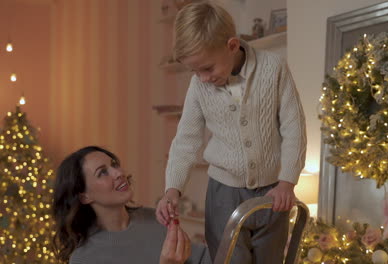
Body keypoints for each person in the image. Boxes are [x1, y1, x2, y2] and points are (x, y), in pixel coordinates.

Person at [156, 1, 307, 263]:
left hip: (273, 194)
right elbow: (186, 140)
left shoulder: (274, 69)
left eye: (207, 68)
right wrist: (172, 189)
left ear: (232, 46)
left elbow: (294, 128)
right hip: (223, 195)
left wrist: (287, 183)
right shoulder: (199, 86)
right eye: (195, 71)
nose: (202, 78)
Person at [52, 146, 210, 264]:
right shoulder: (83, 259)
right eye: (102, 172)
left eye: (114, 164)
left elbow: (202, 259)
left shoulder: (155, 219)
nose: (118, 173)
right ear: (84, 196)